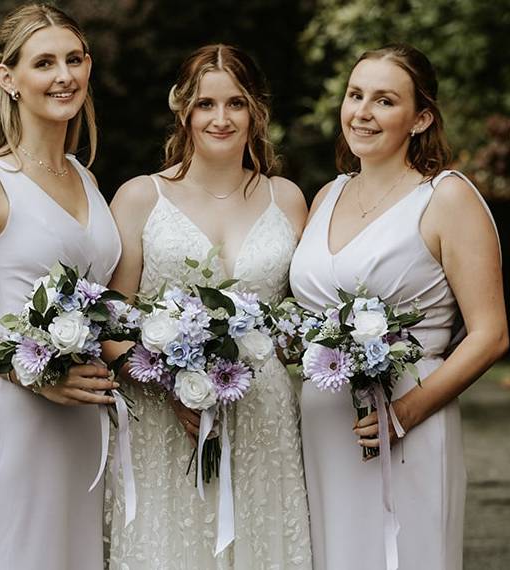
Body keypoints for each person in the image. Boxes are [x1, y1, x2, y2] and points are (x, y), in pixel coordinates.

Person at [290, 43, 508, 570]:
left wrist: (405, 413)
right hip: (324, 427)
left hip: (407, 420)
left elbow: (490, 334)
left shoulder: (446, 198)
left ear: (420, 118)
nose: (362, 112)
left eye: (385, 101)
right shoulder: (327, 196)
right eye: (355, 95)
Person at [0, 4, 121, 568]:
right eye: (45, 63)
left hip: (86, 426)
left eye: (75, 59)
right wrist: (33, 373)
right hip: (17, 421)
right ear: (8, 78)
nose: (65, 76)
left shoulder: (84, 176)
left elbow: (103, 301)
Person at [105, 44, 312, 569]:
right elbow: (110, 324)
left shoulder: (286, 199)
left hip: (262, 414)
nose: (221, 119)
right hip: (164, 418)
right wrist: (173, 385)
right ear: (183, 109)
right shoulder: (139, 198)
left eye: (236, 103)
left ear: (256, 111)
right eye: (205, 104)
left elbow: (301, 322)